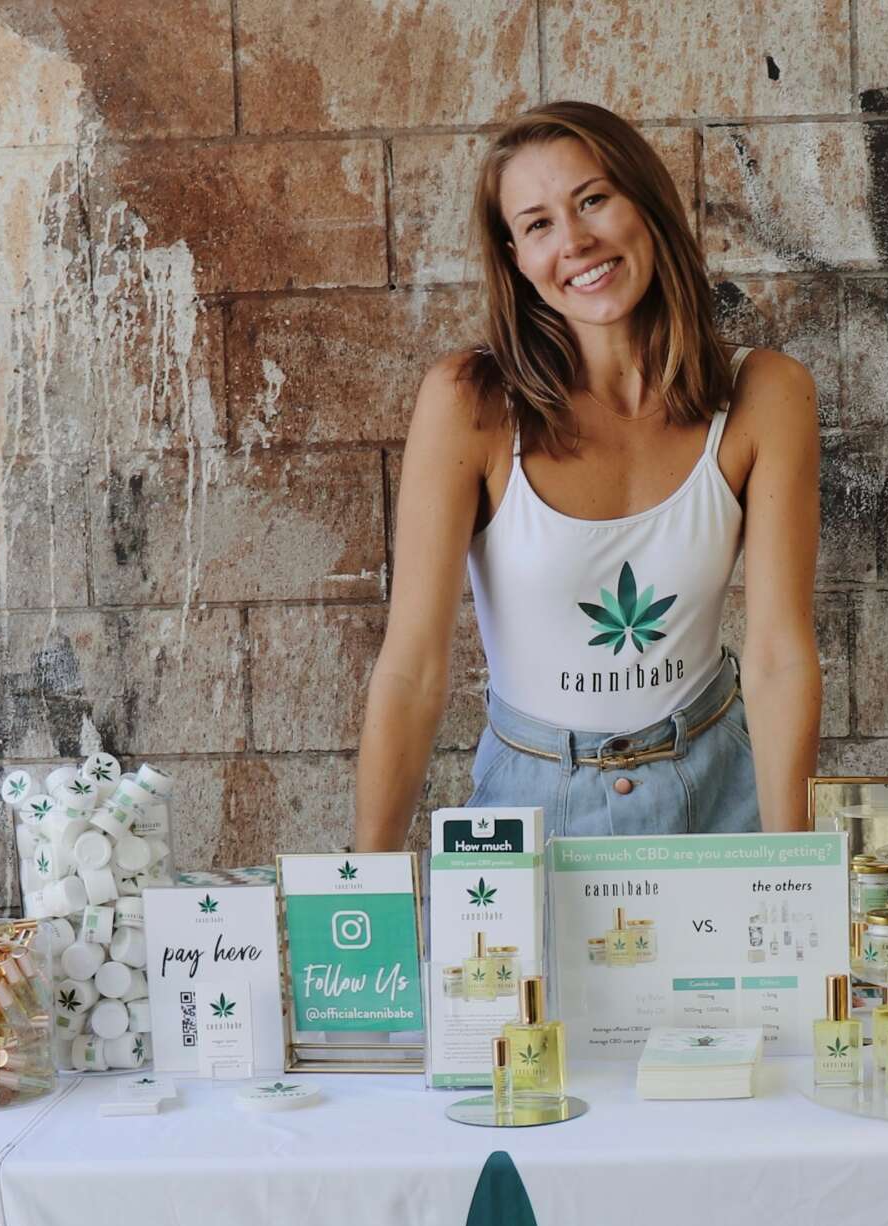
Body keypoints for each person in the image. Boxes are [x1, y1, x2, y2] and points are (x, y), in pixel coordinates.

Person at [352, 101, 822, 848]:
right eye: (538, 224)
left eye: (593, 199)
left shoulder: (767, 395)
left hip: (721, 798)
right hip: (529, 812)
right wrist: (364, 881)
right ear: (515, 257)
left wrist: (791, 867)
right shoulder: (470, 406)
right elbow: (412, 670)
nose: (574, 242)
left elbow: (778, 659)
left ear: (646, 202)